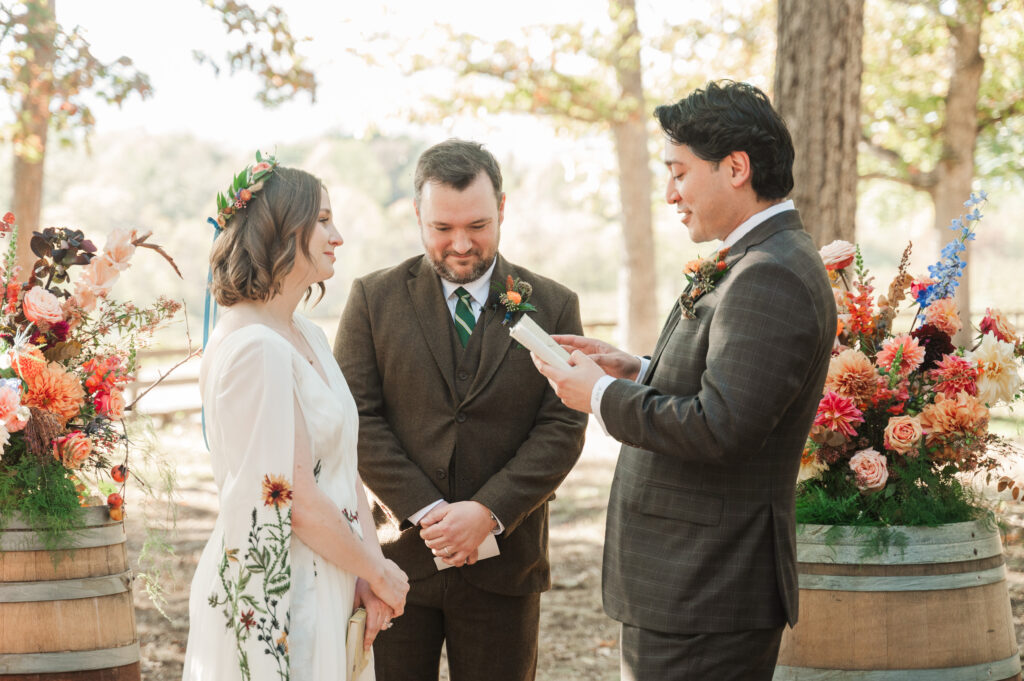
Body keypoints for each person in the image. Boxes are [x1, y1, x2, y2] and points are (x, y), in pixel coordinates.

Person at [533, 81, 837, 681]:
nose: (670, 193)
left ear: (736, 169)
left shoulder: (768, 273)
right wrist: (637, 370)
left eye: (679, 172)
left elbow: (721, 428)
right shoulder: (754, 257)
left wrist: (599, 396)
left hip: (707, 587)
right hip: (690, 585)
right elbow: (728, 386)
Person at [334, 138, 588, 681]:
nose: (461, 244)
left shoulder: (554, 303)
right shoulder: (373, 299)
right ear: (416, 215)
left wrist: (488, 512)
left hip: (506, 567)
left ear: (502, 208)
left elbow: (562, 425)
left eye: (477, 225)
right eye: (442, 228)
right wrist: (429, 513)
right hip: (395, 564)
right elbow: (355, 419)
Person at [183, 156, 409, 681]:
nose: (338, 236)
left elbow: (343, 466)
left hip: (333, 570)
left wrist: (365, 570)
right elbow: (293, 498)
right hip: (281, 591)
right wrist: (378, 571)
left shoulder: (306, 333)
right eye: (323, 220)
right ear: (282, 230)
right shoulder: (254, 347)